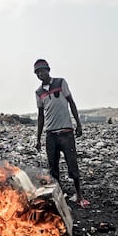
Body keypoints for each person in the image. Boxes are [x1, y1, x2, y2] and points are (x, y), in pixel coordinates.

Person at [34, 58, 89, 208]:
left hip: (66, 132)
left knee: (72, 165)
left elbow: (71, 102)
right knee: (53, 169)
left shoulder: (60, 83)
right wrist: (38, 138)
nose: (40, 74)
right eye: (37, 72)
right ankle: (58, 197)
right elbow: (40, 116)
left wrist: (78, 124)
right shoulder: (39, 92)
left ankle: (79, 196)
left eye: (42, 71)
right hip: (50, 134)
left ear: (48, 70)